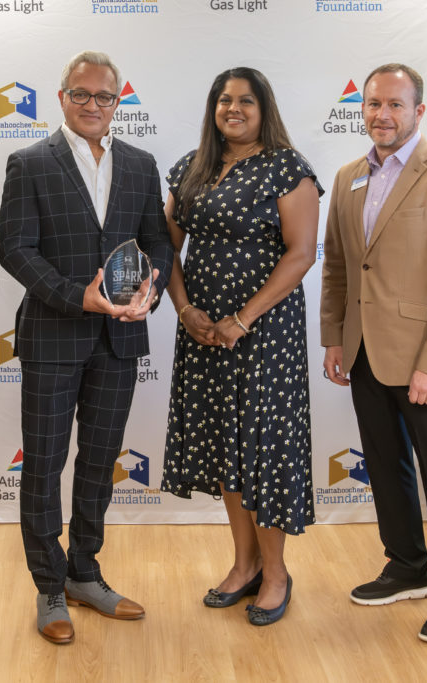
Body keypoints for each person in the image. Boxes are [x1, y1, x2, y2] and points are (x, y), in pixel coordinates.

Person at [0, 50, 173, 645]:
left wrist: (150, 289)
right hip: (54, 336)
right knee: (44, 467)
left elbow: (157, 243)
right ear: (62, 96)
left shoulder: (143, 165)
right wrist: (80, 298)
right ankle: (49, 586)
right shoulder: (29, 163)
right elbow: (16, 250)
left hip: (120, 340)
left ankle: (86, 573)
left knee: (99, 465)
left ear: (118, 101)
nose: (93, 106)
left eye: (104, 97)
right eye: (81, 94)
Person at [319, 63, 427, 644]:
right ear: (361, 110)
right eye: (372, 104)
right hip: (364, 351)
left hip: (423, 361)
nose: (382, 115)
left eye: (395, 104)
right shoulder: (347, 178)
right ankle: (407, 566)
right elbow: (339, 266)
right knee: (385, 466)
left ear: (419, 111)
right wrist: (334, 336)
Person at [160, 67, 322, 627]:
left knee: (263, 451)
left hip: (264, 335)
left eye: (245, 100)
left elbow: (301, 254)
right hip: (204, 334)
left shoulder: (288, 169)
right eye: (224, 100)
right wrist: (186, 310)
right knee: (227, 446)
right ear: (213, 108)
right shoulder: (190, 169)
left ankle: (276, 574)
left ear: (263, 108)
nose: (234, 108)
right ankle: (243, 564)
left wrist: (241, 319)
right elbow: (166, 247)